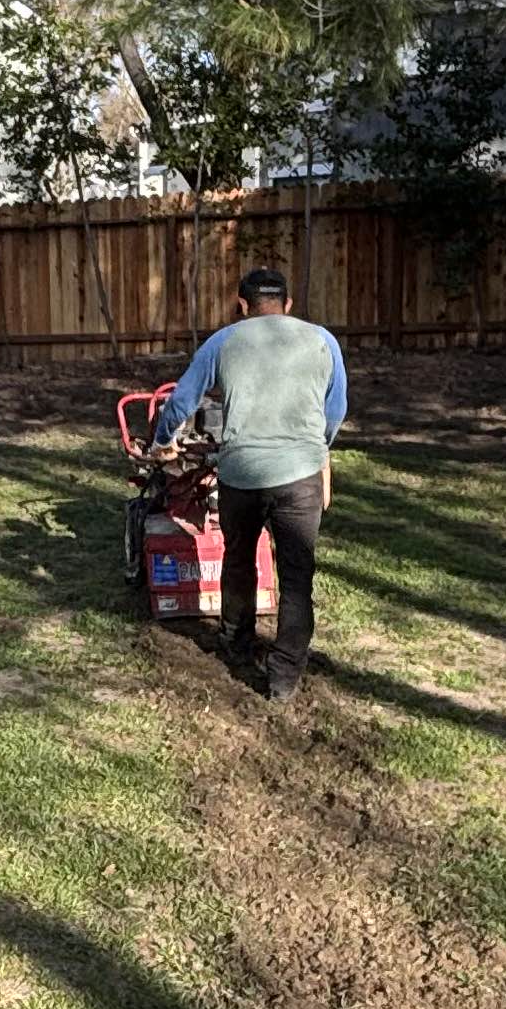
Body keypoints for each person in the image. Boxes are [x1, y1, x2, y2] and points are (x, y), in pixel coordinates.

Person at [148, 263, 348, 700]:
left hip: (241, 475)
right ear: (289, 305)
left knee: (239, 560)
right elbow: (335, 412)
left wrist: (162, 441)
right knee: (297, 578)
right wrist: (317, 448)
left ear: (242, 306)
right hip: (301, 477)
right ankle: (284, 677)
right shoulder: (323, 341)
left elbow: (182, 401)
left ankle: (237, 643)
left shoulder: (223, 342)